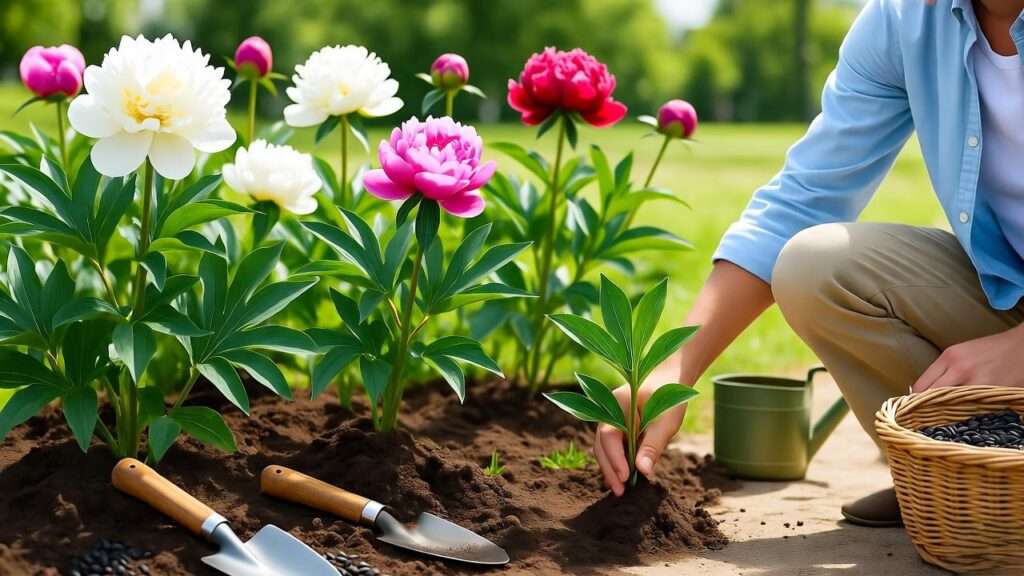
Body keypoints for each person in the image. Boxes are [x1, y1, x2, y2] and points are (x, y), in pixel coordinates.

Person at [594, 0, 1024, 527]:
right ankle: (949, 482)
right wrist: (671, 372)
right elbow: (805, 198)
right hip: (1009, 299)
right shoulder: (907, 18)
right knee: (812, 265)